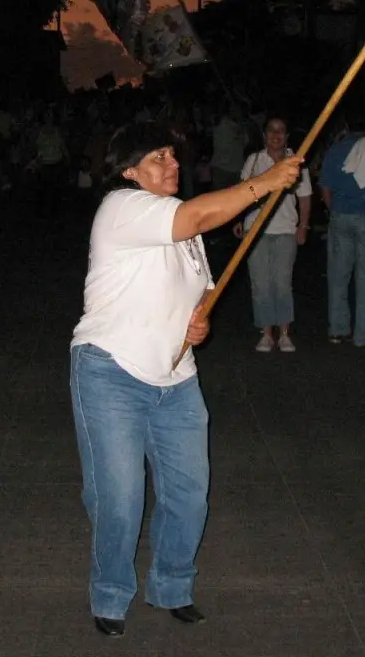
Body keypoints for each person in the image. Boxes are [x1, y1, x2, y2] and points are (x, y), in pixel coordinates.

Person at [70, 121, 303, 637]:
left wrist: (200, 320)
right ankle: (110, 593)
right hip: (111, 372)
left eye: (174, 156)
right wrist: (266, 182)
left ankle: (173, 585)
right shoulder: (122, 207)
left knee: (188, 493)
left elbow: (202, 295)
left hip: (176, 378)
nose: (172, 165)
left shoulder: (188, 236)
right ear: (130, 171)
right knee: (120, 497)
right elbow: (199, 213)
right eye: (157, 158)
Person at [234, 116, 312, 353]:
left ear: (287, 136)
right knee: (260, 284)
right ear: (265, 134)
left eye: (281, 131)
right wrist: (239, 218)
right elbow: (242, 192)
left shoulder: (295, 161)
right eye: (271, 130)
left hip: (286, 229)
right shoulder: (254, 159)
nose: (276, 135)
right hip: (255, 229)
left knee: (281, 283)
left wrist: (304, 226)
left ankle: (284, 333)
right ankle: (266, 333)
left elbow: (305, 196)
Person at [319, 111, 365, 347]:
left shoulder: (335, 149)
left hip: (341, 215)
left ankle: (338, 330)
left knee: (338, 275)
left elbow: (325, 187)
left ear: (347, 125)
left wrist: (335, 210)